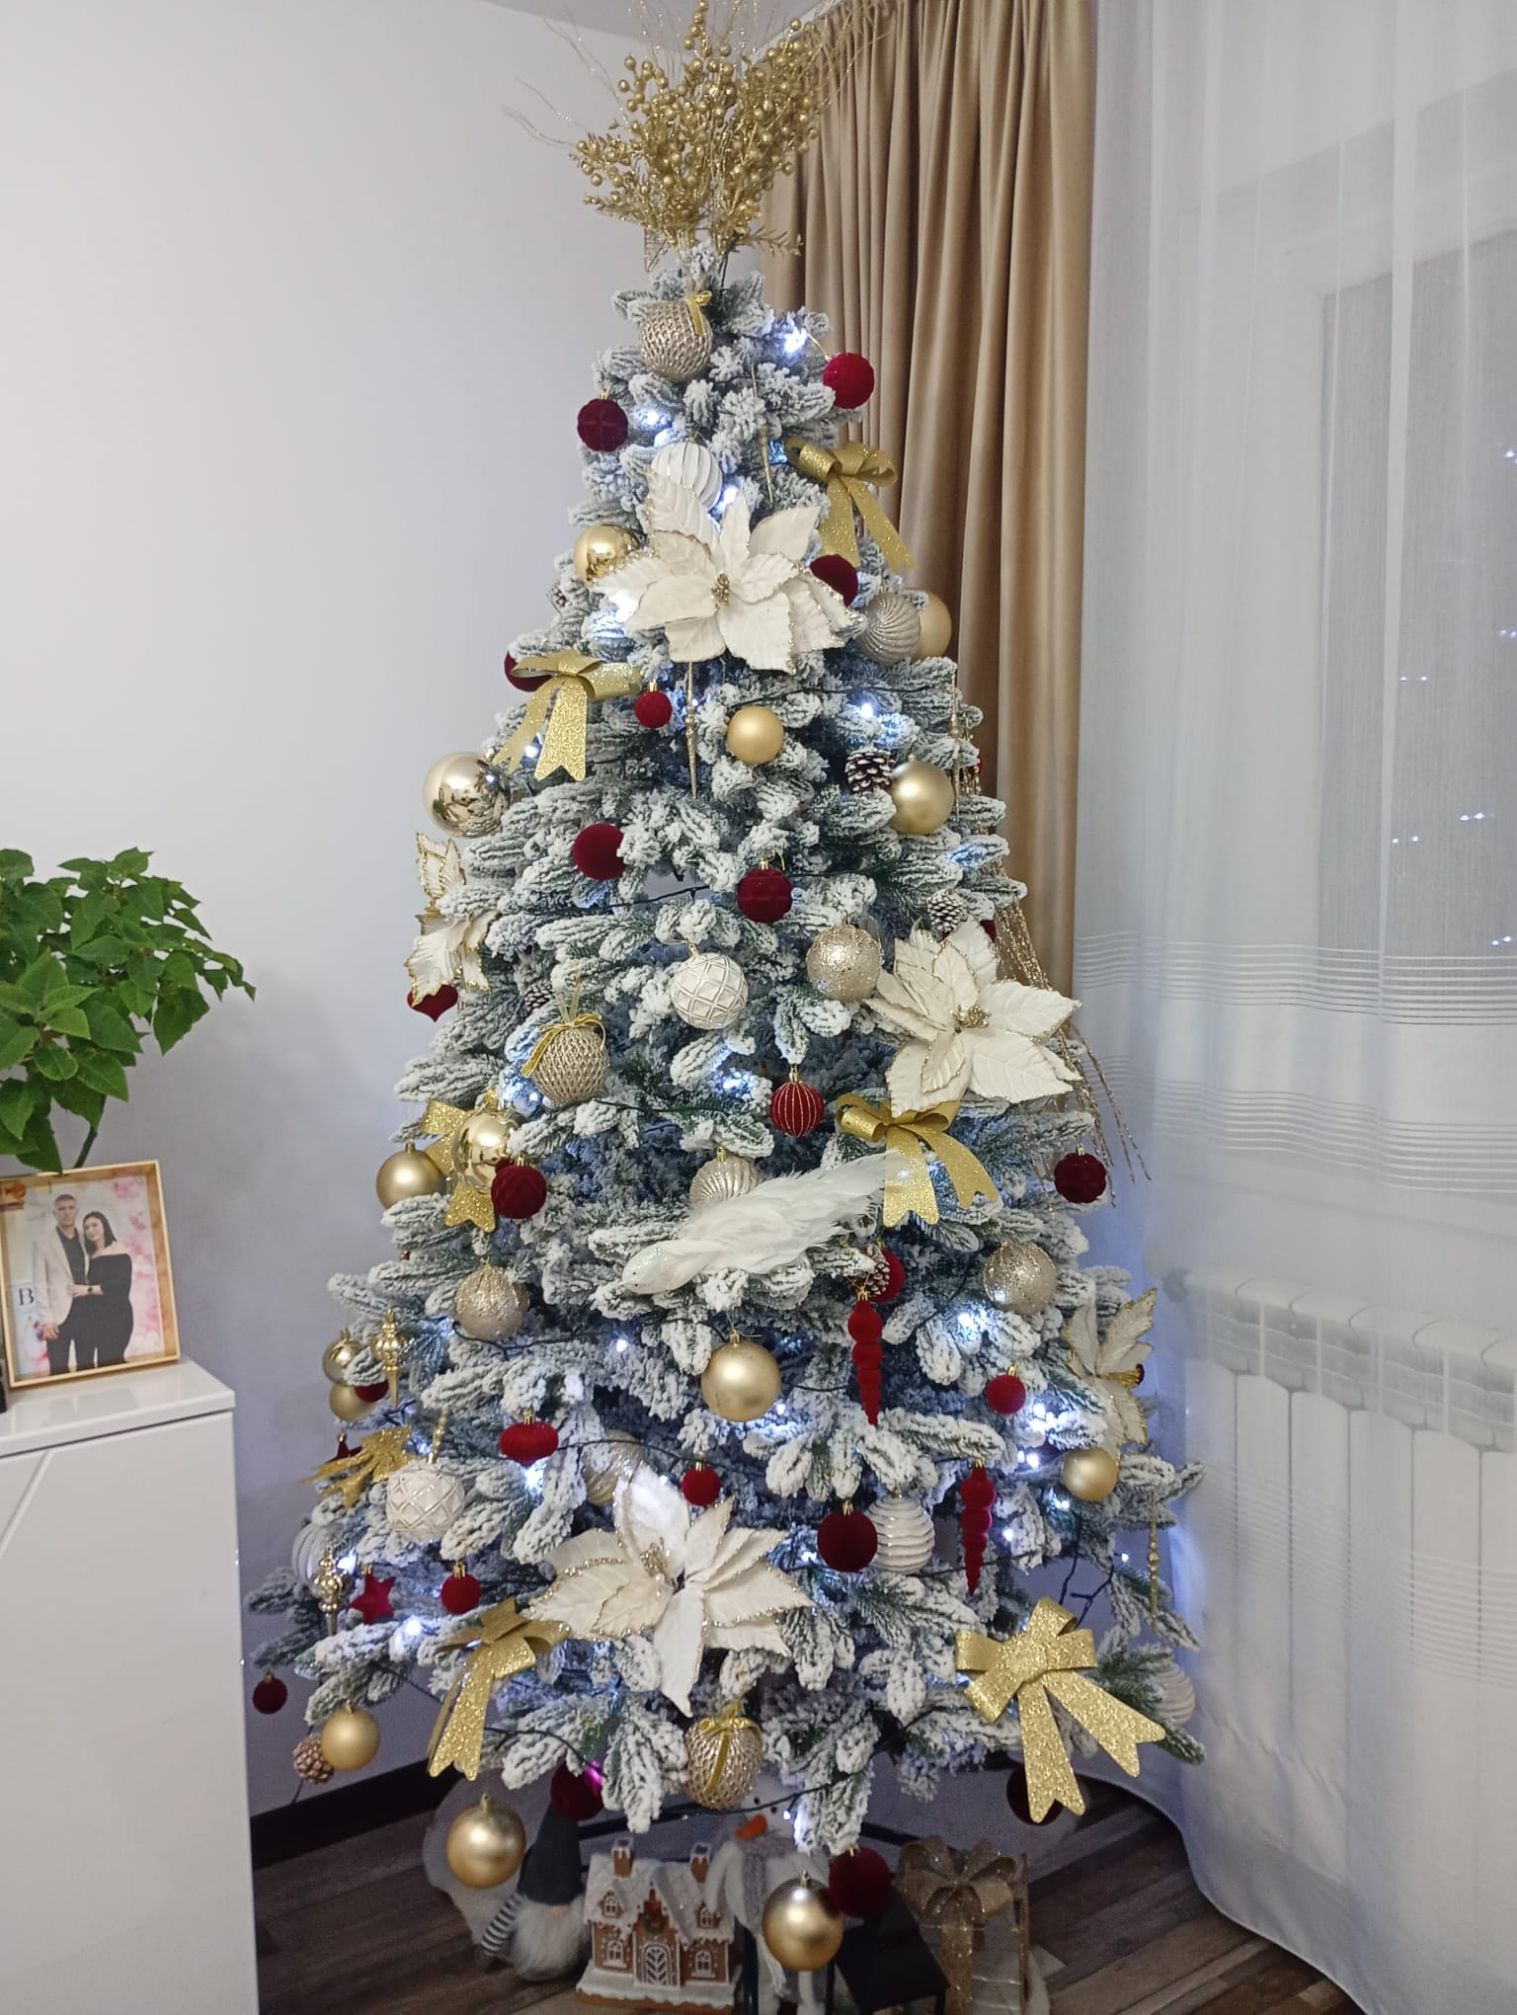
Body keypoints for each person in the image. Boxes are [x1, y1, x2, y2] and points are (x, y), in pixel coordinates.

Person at [29, 1190, 88, 1376]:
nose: (67, 1212)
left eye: (71, 1208)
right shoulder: (43, 1242)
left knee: (87, 1368)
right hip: (58, 1317)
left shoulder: (86, 1238)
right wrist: (47, 1320)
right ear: (54, 1213)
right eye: (62, 1209)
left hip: (87, 1312)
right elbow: (39, 1283)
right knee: (58, 1370)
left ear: (77, 1211)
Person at [72, 1212, 135, 1369]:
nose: (90, 1230)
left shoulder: (119, 1251)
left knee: (110, 1364)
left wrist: (88, 1289)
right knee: (87, 1367)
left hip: (116, 1317)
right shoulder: (88, 1256)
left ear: (104, 1226)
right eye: (87, 1227)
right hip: (92, 1319)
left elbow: (120, 1287)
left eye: (95, 1225)